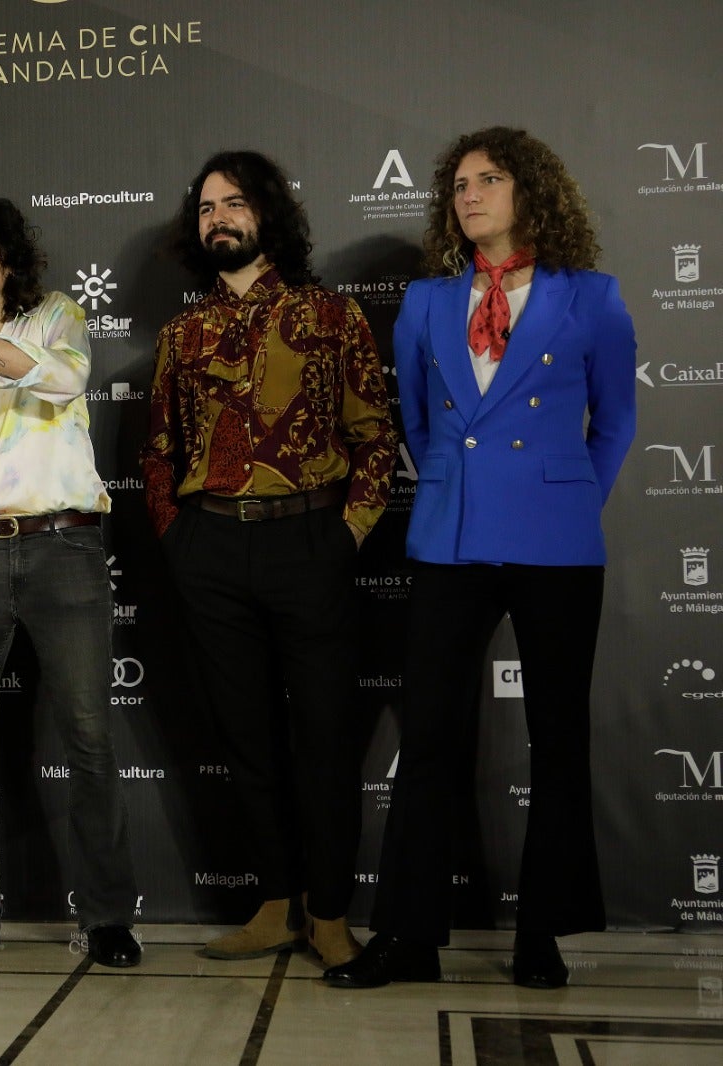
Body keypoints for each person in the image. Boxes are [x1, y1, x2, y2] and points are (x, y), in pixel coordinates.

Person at [324, 128, 637, 990]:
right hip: (452, 534)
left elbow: (615, 422)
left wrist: (568, 493)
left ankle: (544, 931)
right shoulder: (426, 303)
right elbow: (418, 425)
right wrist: (460, 484)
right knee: (427, 739)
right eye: (459, 183)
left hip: (556, 539)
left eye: (489, 179)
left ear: (531, 190)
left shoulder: (594, 297)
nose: (470, 194)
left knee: (559, 740)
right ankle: (408, 938)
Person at [140, 152, 396, 970]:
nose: (218, 217)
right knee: (246, 742)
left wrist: (348, 532)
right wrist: (179, 538)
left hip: (309, 542)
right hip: (210, 548)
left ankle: (328, 914)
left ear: (268, 215)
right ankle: (276, 902)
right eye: (206, 206)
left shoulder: (332, 314)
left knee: (325, 740)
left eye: (234, 203)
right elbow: (157, 451)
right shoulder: (182, 335)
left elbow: (375, 436)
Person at [0, 197, 141, 968]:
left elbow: (63, 381)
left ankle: (108, 916)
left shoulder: (56, 319)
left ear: (9, 263)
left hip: (64, 548)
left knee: (91, 740)